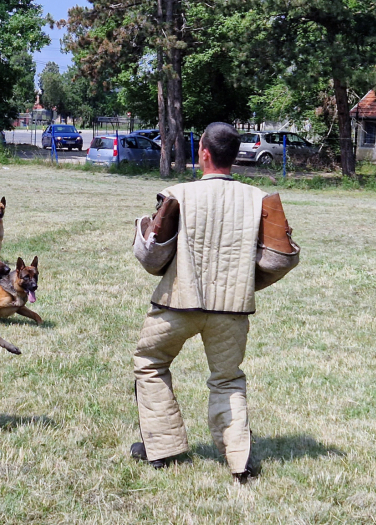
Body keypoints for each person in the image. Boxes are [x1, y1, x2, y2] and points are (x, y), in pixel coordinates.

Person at [130, 122, 269, 483]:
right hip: (232, 309)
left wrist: (140, 230)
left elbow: (152, 259)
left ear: (203, 152)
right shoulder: (259, 199)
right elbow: (281, 258)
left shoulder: (177, 194)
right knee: (228, 380)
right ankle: (240, 463)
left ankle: (162, 451)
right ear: (234, 156)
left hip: (177, 304)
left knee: (149, 362)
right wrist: (248, 284)